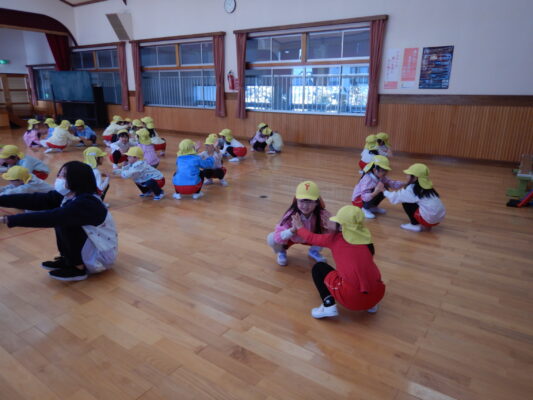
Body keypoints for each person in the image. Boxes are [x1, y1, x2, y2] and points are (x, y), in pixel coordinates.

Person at [0, 161, 118, 281]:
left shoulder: (87, 203)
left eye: (63, 176)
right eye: (59, 175)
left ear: (76, 179)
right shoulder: (70, 194)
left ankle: (78, 268)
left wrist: (9, 219)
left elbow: (50, 217)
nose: (59, 178)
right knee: (63, 220)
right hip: (92, 247)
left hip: (100, 256)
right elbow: (37, 200)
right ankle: (68, 260)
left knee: (63, 221)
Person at [291, 205, 385, 319]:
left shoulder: (335, 239)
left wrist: (299, 227)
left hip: (352, 299)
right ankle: (371, 305)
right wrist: (333, 226)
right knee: (364, 271)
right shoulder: (366, 240)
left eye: (337, 220)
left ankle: (328, 305)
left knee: (319, 268)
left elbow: (311, 238)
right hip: (377, 294)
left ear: (341, 227)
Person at [266, 181, 331, 266]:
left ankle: (314, 251)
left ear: (317, 202)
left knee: (328, 235)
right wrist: (292, 230)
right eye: (302, 201)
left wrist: (330, 227)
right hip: (291, 239)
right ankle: (281, 251)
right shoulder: (290, 215)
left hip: (310, 238)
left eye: (310, 201)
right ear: (296, 201)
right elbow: (277, 236)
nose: (305, 206)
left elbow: (332, 230)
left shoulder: (322, 214)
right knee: (271, 238)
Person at [383, 163, 445, 232]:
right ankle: (428, 223)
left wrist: (384, 191)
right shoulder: (428, 187)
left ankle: (414, 225)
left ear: (415, 178)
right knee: (421, 203)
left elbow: (395, 197)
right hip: (438, 219)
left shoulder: (412, 189)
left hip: (428, 220)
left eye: (408, 175)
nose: (406, 176)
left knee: (406, 202)